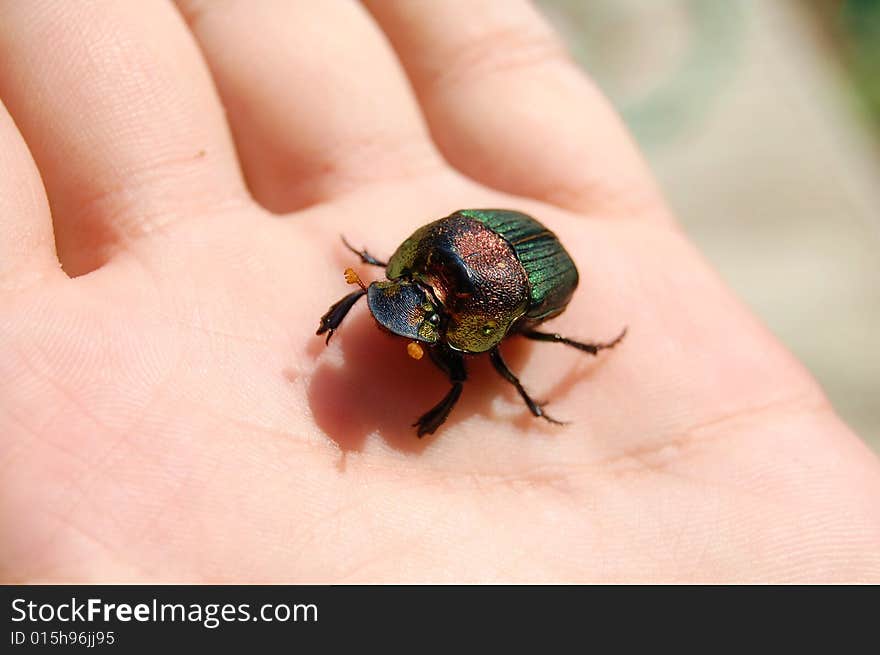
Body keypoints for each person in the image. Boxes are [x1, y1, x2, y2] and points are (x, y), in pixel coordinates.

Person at [1, 1, 877, 582]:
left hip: (528, 271)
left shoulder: (486, 326)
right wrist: (353, 300)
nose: (402, 317)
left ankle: (538, 374)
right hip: (468, 249)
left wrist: (497, 386)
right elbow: (408, 273)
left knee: (484, 376)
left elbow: (471, 366)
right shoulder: (421, 261)